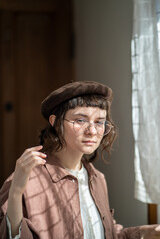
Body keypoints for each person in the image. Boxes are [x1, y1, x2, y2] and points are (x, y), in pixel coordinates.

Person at [0, 81, 160, 239]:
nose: (92, 131)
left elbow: (107, 233)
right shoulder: (27, 180)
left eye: (99, 122)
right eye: (80, 120)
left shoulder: (97, 178)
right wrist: (16, 192)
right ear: (55, 122)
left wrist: (146, 232)